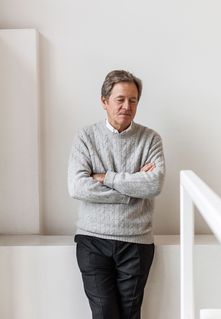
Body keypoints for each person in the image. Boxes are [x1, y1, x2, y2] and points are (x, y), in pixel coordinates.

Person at [68, 70, 165, 319]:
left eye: (133, 100)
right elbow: (78, 187)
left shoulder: (151, 139)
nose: (127, 106)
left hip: (137, 242)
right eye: (120, 99)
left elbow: (154, 185)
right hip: (92, 241)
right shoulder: (85, 137)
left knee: (130, 313)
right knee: (104, 314)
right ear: (104, 101)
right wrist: (131, 189)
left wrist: (106, 177)